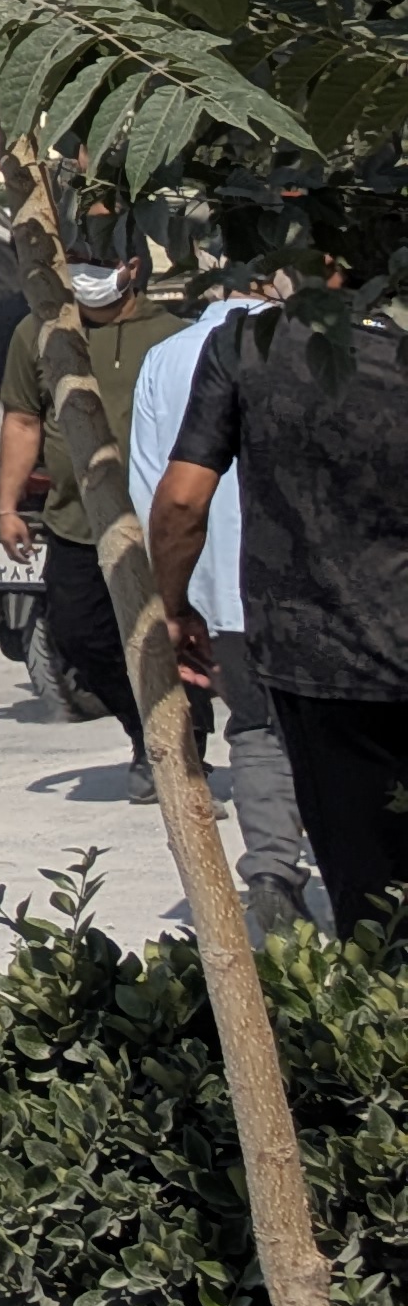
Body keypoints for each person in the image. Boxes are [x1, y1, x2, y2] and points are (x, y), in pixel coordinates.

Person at [153, 259, 408, 934]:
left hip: (318, 657)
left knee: (369, 889)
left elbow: (181, 500)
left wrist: (173, 608)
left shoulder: (247, 346)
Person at [5, 219, 153, 759]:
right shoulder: (36, 332)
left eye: (88, 261)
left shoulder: (171, 332)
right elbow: (22, 420)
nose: (78, 274)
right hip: (77, 523)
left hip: (159, 522)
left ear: (129, 268)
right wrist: (7, 506)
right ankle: (145, 731)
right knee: (79, 635)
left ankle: (183, 743)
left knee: (169, 635)